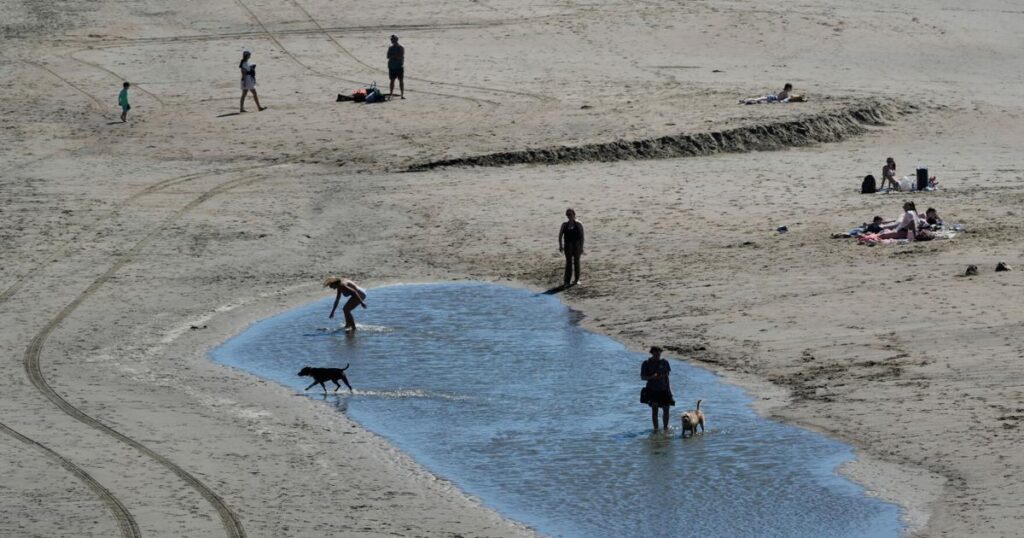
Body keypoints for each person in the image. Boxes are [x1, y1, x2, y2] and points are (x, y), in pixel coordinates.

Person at [640, 346, 674, 431]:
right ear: (652, 353)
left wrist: (670, 390)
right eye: (655, 354)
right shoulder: (646, 363)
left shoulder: (665, 362)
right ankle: (656, 429)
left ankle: (666, 428)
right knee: (655, 410)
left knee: (666, 409)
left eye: (659, 354)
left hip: (664, 390)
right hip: (652, 390)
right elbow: (643, 377)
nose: (657, 356)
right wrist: (652, 377)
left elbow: (667, 377)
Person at [558, 208, 585, 286]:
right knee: (568, 263)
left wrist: (581, 247)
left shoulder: (579, 224)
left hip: (577, 246)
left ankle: (576, 280)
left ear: (574, 214)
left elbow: (582, 237)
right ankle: (567, 281)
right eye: (567, 214)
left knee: (577, 263)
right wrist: (560, 246)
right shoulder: (564, 225)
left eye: (570, 214)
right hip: (568, 246)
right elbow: (560, 236)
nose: (569, 216)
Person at [387, 35, 405, 99]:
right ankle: (391, 94)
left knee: (401, 81)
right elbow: (388, 56)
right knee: (392, 81)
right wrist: (394, 56)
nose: (392, 40)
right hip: (391, 66)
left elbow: (400, 56)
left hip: (399, 66)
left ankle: (402, 94)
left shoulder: (401, 47)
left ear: (396, 40)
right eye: (391, 39)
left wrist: (393, 56)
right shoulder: (390, 47)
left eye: (393, 39)